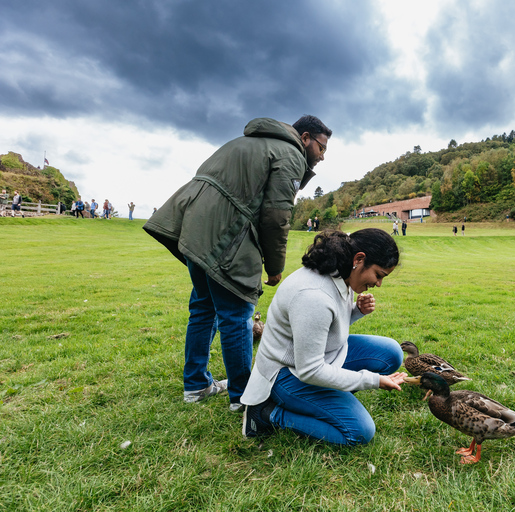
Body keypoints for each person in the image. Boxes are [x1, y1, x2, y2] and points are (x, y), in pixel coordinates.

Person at [143, 115, 331, 412]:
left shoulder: (247, 142)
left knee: (204, 307)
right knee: (237, 313)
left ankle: (196, 385)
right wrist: (274, 266)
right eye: (321, 148)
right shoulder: (291, 154)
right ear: (305, 138)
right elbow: (276, 216)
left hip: (193, 228)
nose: (322, 157)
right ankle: (243, 397)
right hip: (224, 233)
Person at [241, 229, 405, 445]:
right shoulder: (313, 295)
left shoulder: (341, 272)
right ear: (359, 259)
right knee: (360, 431)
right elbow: (310, 370)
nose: (378, 284)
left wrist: (356, 311)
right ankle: (267, 413)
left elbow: (327, 327)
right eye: (379, 275)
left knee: (391, 353)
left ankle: (327, 399)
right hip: (287, 373)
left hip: (321, 358)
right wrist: (371, 380)